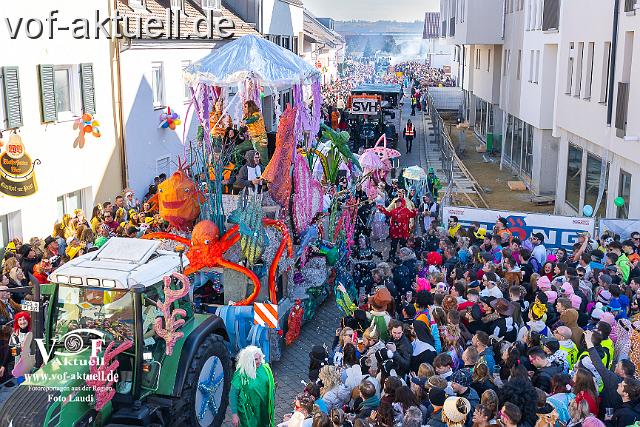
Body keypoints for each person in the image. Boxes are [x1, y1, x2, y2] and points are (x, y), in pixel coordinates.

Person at [230, 345, 275, 427]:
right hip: (249, 412)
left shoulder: (265, 368)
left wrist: (272, 401)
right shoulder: (241, 373)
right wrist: (234, 414)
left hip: (264, 408)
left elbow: (271, 387)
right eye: (255, 359)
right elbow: (233, 394)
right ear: (248, 360)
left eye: (259, 358)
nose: (259, 361)